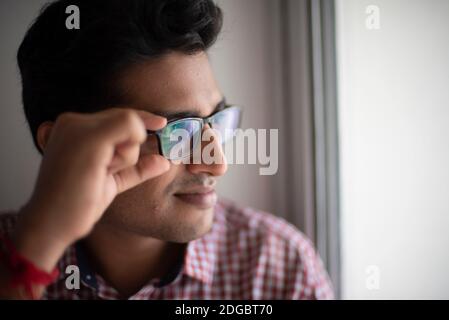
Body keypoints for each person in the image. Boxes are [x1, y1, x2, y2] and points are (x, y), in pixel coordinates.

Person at [0, 0, 333, 299]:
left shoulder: (279, 266)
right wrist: (36, 245)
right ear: (60, 142)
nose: (217, 164)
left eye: (217, 121)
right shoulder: (9, 249)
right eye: (180, 131)